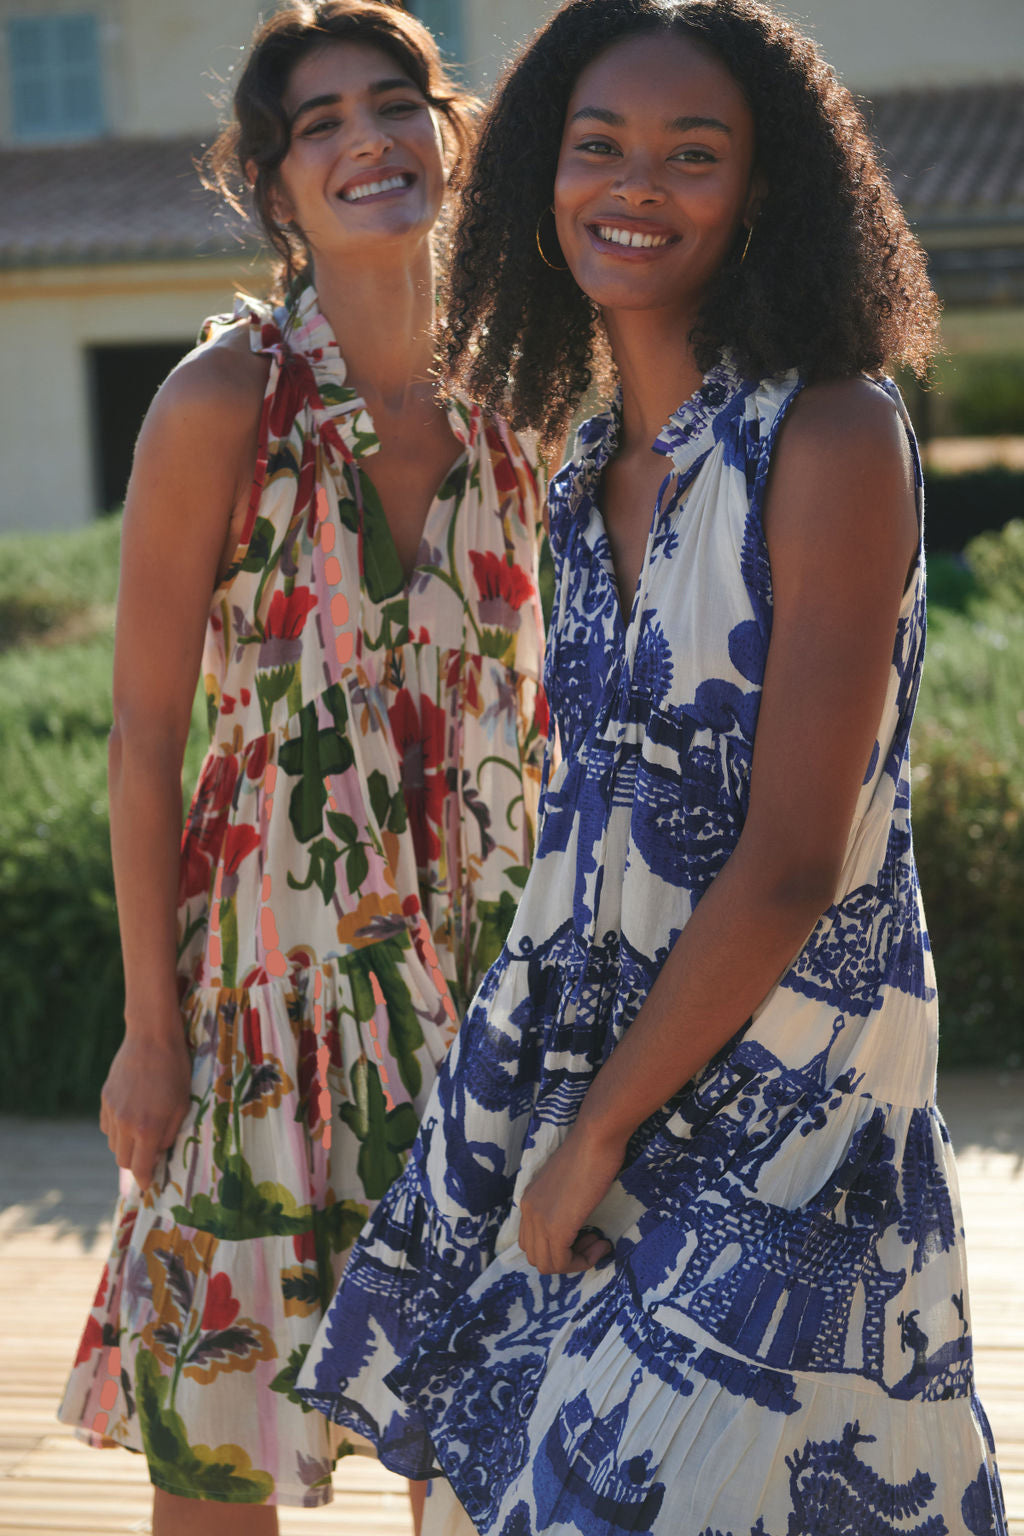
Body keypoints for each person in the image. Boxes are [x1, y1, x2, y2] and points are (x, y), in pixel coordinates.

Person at [296, 1, 1009, 1533]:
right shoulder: (580, 472)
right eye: (599, 145)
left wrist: (591, 1143)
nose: (639, 184)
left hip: (781, 1093)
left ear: (763, 194)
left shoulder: (827, 433)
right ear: (540, 179)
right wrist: (532, 1116)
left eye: (697, 154)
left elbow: (793, 860)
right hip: (577, 1052)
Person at [58, 2, 549, 1530]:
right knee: (219, 1450)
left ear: (447, 139)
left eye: (392, 104)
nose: (364, 141)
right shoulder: (226, 401)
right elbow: (148, 736)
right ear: (274, 189)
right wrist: (151, 1032)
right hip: (271, 1005)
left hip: (495, 988)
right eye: (317, 125)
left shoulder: (536, 396)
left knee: (480, 1460)